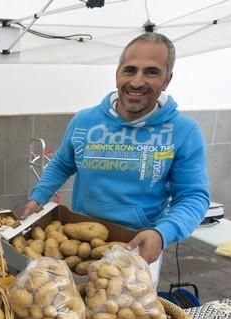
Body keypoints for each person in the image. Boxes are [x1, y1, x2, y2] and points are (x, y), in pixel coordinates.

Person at [21, 32, 209, 271]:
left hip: (139, 248)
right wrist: (38, 198)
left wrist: (162, 234)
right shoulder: (84, 121)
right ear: (117, 73)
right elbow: (62, 164)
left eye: (151, 72)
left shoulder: (183, 131)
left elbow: (193, 196)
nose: (137, 82)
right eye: (130, 70)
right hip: (79, 244)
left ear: (167, 80)